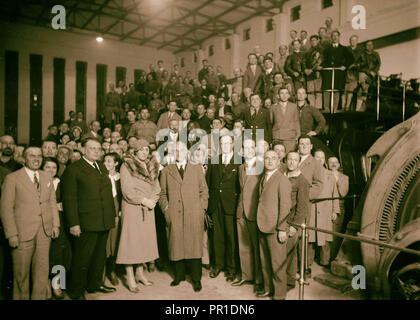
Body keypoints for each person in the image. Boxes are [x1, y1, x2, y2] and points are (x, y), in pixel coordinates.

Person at [0, 146, 60, 299]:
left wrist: (55, 224)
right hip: (21, 233)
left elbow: (52, 202)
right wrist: (11, 234)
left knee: (42, 272)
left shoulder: (47, 176)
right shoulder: (12, 178)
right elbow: (6, 208)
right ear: (23, 158)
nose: (36, 159)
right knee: (21, 274)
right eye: (32, 156)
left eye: (39, 156)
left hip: (44, 232)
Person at [61, 138, 117, 300]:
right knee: (82, 258)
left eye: (98, 149)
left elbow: (106, 194)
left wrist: (111, 216)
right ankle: (76, 290)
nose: (96, 151)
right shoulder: (74, 169)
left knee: (99, 256)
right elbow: (69, 199)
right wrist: (73, 223)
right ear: (83, 149)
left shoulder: (101, 166)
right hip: (86, 222)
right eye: (92, 148)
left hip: (103, 220)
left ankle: (94, 284)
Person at [159, 142, 209, 292]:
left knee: (194, 246)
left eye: (181, 150)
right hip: (174, 213)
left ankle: (196, 279)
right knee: (176, 245)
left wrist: (202, 208)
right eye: (175, 150)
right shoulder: (167, 170)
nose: (178, 152)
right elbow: (162, 194)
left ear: (187, 152)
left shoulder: (196, 168)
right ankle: (179, 275)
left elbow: (204, 190)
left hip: (194, 213)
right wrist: (166, 210)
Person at [116, 139, 160, 291]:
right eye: (141, 150)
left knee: (143, 241)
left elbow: (157, 187)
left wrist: (153, 200)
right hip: (132, 207)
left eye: (146, 150)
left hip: (148, 208)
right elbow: (127, 191)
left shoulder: (151, 165)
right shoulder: (126, 165)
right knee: (131, 242)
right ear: (134, 151)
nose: (144, 152)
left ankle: (139, 274)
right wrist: (143, 200)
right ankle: (129, 277)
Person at [256, 150, 292, 300]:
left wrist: (282, 229)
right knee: (265, 262)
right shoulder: (264, 178)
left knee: (277, 264)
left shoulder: (282, 180)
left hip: (275, 228)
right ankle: (267, 288)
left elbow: (285, 206)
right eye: (267, 158)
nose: (270, 161)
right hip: (262, 224)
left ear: (279, 162)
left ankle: (279, 295)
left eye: (273, 159)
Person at [206, 135, 240, 282]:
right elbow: (207, 183)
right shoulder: (214, 159)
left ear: (233, 144)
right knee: (217, 237)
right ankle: (218, 265)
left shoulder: (240, 161)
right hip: (215, 204)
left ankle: (231, 269)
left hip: (231, 204)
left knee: (231, 237)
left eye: (228, 143)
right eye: (222, 143)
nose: (225, 145)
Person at [234, 139, 264, 292]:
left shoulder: (262, 166)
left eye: (252, 147)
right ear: (242, 151)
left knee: (256, 247)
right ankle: (246, 276)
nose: (249, 150)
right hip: (241, 211)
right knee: (243, 246)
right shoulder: (240, 168)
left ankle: (258, 279)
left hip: (254, 212)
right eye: (246, 148)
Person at [42, 157, 72, 300]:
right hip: (41, 222)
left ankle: (58, 284)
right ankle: (45, 285)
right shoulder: (37, 181)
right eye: (47, 167)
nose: (51, 170)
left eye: (54, 168)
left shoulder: (60, 182)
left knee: (59, 254)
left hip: (59, 221)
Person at [308, 150, 340, 267]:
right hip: (312, 210)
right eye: (317, 157)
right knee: (310, 239)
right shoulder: (308, 173)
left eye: (322, 157)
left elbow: (334, 194)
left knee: (326, 239)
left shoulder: (330, 175)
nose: (320, 159)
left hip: (326, 211)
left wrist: (335, 210)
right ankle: (307, 265)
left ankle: (325, 262)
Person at [283, 151, 310, 290]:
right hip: (279, 221)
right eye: (289, 159)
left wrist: (294, 226)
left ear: (299, 162)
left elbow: (303, 206)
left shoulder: (302, 181)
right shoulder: (282, 176)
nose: (292, 162)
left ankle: (289, 282)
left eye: (295, 159)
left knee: (289, 254)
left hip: (291, 222)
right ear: (285, 160)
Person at [321, 30, 353, 113]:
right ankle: (326, 108)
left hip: (338, 73)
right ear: (331, 38)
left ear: (339, 37)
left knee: (337, 89)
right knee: (326, 89)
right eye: (333, 36)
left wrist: (345, 66)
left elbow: (351, 59)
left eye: (336, 36)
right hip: (328, 72)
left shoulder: (343, 49)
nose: (335, 37)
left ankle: (335, 108)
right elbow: (323, 60)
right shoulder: (327, 49)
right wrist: (322, 67)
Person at [103, 153, 122, 286]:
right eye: (105, 161)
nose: (106, 163)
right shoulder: (100, 176)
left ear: (116, 163)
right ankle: (101, 272)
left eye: (109, 161)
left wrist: (120, 212)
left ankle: (112, 270)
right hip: (103, 214)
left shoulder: (121, 178)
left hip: (118, 214)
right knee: (104, 243)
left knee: (114, 243)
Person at [327, 156, 349, 260]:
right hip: (325, 206)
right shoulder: (324, 175)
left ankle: (331, 258)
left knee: (334, 234)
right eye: (331, 162)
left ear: (339, 165)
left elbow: (343, 193)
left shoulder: (345, 177)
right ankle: (324, 259)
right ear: (327, 165)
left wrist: (336, 179)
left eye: (335, 162)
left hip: (339, 207)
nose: (333, 164)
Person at [271, 87, 300, 153]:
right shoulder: (273, 107)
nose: (284, 95)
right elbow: (271, 123)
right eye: (282, 93)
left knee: (289, 156)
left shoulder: (294, 106)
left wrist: (298, 136)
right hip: (277, 136)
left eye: (286, 93)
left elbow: (296, 121)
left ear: (289, 95)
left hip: (290, 137)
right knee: (277, 157)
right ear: (278, 95)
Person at [355, 40, 381, 112]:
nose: (369, 46)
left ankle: (362, 108)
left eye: (371, 45)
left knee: (369, 90)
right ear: (365, 46)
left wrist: (374, 72)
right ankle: (358, 109)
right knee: (363, 88)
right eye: (368, 45)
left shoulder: (376, 54)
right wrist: (367, 71)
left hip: (372, 75)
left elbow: (378, 64)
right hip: (363, 72)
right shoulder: (361, 54)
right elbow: (358, 64)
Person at [342, 35, 363, 111]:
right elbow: (343, 60)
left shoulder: (361, 51)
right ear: (349, 41)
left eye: (354, 40)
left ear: (357, 41)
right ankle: (343, 107)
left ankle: (347, 107)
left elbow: (362, 62)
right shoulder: (346, 50)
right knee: (344, 91)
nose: (353, 42)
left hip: (355, 74)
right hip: (346, 73)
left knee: (350, 90)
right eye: (351, 40)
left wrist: (356, 65)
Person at [305, 35, 323, 109]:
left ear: (318, 40)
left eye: (314, 40)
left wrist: (312, 69)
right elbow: (304, 62)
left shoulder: (321, 50)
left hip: (317, 74)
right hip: (309, 75)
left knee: (318, 92)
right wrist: (305, 69)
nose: (313, 42)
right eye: (311, 41)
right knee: (310, 93)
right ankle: (312, 108)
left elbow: (321, 61)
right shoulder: (308, 51)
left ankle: (318, 109)